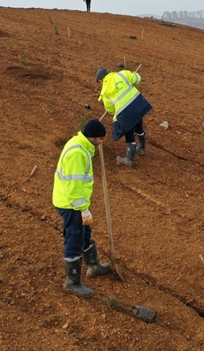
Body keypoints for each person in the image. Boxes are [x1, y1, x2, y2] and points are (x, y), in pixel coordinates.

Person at [52, 119, 112, 298]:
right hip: (70, 204)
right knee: (75, 238)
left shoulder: (82, 144)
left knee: (85, 232)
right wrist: (83, 209)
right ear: (92, 137)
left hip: (76, 202)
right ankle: (72, 282)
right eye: (101, 139)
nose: (102, 142)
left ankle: (94, 266)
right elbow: (74, 187)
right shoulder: (78, 154)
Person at [96, 67, 153, 167]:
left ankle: (129, 159)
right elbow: (138, 78)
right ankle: (141, 148)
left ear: (101, 79)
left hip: (125, 112)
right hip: (137, 104)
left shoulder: (104, 91)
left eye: (99, 82)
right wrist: (134, 74)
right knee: (138, 125)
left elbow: (110, 110)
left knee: (129, 133)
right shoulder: (122, 74)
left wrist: (115, 109)